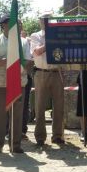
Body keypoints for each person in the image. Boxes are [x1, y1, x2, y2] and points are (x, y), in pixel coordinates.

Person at [0, 14, 24, 154]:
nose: (16, 26)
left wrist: (16, 64)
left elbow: (28, 62)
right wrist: (9, 60)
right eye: (12, 24)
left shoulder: (23, 42)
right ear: (4, 26)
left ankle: (15, 144)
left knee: (17, 115)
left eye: (17, 24)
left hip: (18, 83)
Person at [29, 11, 65, 146]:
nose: (45, 21)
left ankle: (57, 135)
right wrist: (51, 41)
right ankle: (40, 137)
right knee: (39, 106)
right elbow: (37, 51)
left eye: (48, 19)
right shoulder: (35, 36)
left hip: (57, 72)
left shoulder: (59, 35)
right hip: (41, 73)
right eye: (43, 19)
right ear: (40, 21)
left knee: (59, 106)